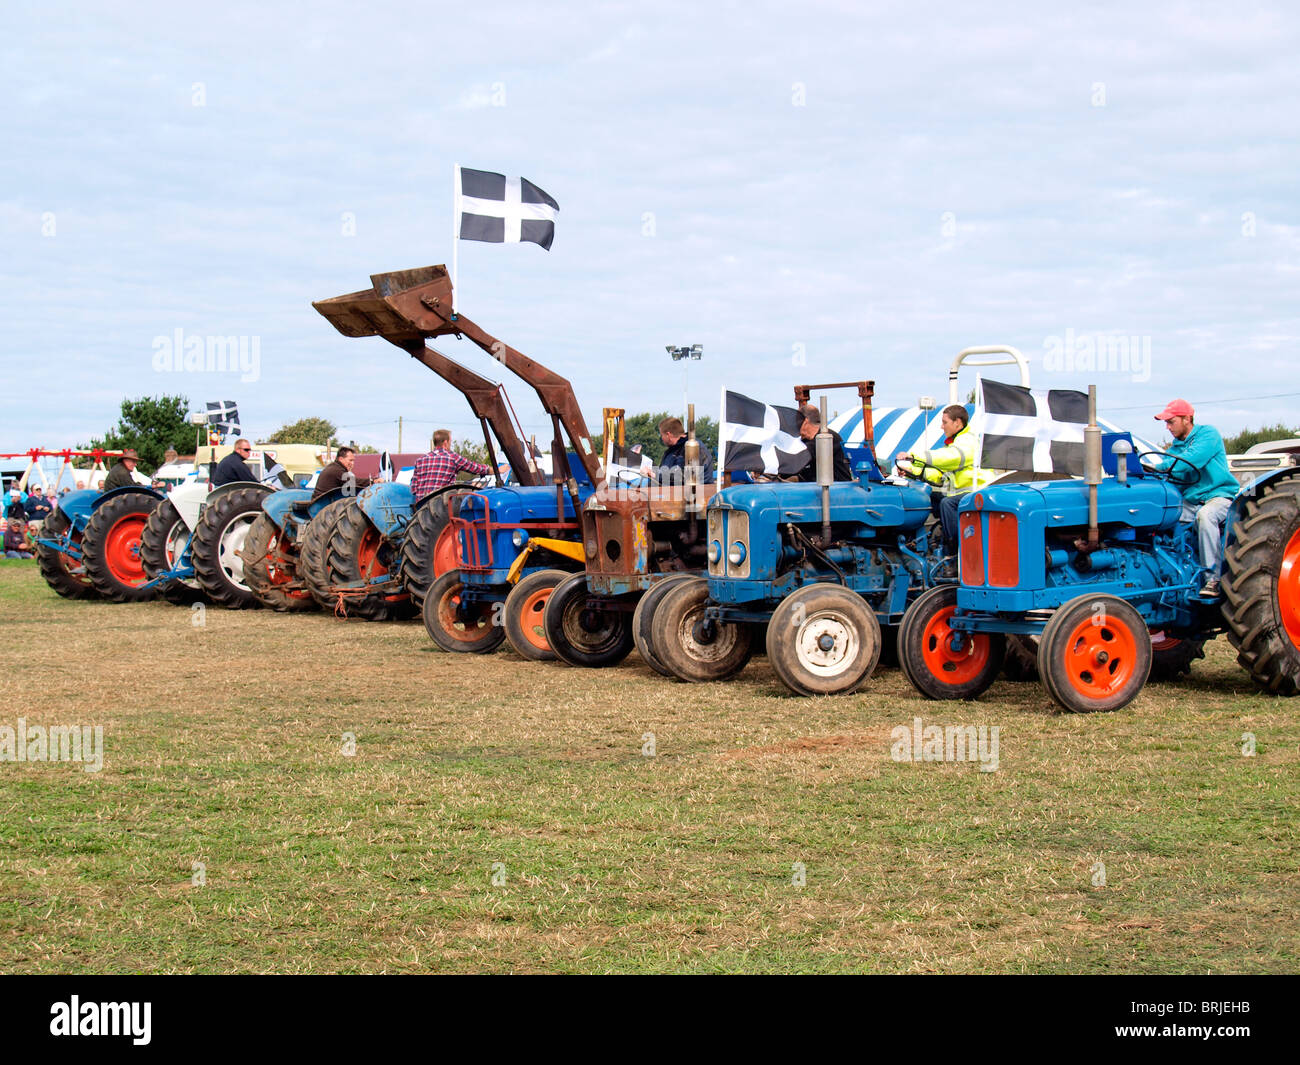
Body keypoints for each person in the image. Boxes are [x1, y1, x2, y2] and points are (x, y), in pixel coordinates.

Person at [1154, 399, 1238, 596]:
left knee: (1206, 516)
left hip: (1217, 497)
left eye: (1171, 422)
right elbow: (1168, 472)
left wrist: (1159, 467)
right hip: (1191, 502)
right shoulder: (1174, 449)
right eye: (1165, 423)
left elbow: (1190, 460)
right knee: (1161, 517)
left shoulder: (1208, 434)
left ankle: (1212, 579)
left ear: (1187, 419)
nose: (1167, 427)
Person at [896, 405, 979, 556]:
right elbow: (938, 475)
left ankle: (955, 554)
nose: (942, 426)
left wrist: (914, 457)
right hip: (960, 493)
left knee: (947, 504)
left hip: (975, 491)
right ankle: (920, 543)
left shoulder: (967, 441)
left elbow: (950, 457)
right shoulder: (955, 442)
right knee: (925, 498)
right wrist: (911, 472)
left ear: (957, 423)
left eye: (944, 422)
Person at [410, 431, 491, 499]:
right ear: (445, 442)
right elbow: (475, 468)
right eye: (450, 442)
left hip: (421, 508)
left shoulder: (420, 460)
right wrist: (494, 469)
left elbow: (413, 489)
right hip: (440, 507)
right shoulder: (452, 457)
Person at [795, 406, 852, 483]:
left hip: (836, 489)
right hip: (812, 487)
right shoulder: (805, 441)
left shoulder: (828, 438)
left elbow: (804, 454)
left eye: (797, 422)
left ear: (805, 422)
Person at [657, 418, 716, 485]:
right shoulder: (670, 452)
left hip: (699, 492)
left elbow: (685, 477)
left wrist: (655, 475)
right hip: (674, 492)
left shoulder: (694, 448)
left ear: (668, 435)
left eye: (662, 435)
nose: (662, 438)